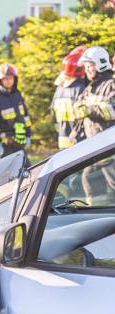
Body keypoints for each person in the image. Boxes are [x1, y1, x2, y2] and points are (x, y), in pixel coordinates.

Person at [75, 46, 115, 203]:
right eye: (85, 67)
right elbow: (79, 107)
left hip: (109, 150)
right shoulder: (90, 87)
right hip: (95, 148)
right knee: (89, 180)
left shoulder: (111, 85)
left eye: (89, 65)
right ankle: (97, 212)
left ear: (101, 63)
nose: (86, 70)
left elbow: (112, 111)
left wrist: (89, 110)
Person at [0, 63, 31, 159]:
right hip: (4, 144)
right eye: (5, 79)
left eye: (10, 78)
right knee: (4, 168)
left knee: (25, 167)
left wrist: (28, 135)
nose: (8, 81)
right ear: (0, 81)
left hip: (19, 143)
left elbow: (25, 117)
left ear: (14, 79)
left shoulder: (17, 95)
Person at [51, 46, 88, 150]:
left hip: (63, 141)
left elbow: (53, 114)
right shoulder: (81, 89)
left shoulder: (59, 89)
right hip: (79, 141)